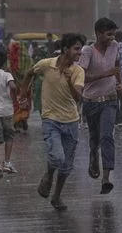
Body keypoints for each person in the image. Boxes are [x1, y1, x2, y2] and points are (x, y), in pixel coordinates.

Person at [21, 33, 86, 211]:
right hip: (51, 120)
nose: (79, 53)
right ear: (66, 49)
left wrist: (68, 79)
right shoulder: (46, 64)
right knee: (57, 157)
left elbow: (78, 97)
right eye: (76, 49)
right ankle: (49, 175)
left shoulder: (78, 71)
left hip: (71, 121)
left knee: (66, 166)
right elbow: (29, 74)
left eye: (80, 49)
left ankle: (56, 196)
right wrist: (22, 96)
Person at [78, 17, 122, 194]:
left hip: (110, 100)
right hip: (91, 101)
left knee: (107, 136)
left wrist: (119, 82)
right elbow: (81, 77)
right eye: (108, 34)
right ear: (98, 34)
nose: (111, 38)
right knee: (95, 138)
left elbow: (117, 65)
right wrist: (106, 74)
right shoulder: (87, 51)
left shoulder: (115, 47)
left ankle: (106, 177)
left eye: (113, 34)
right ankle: (93, 156)